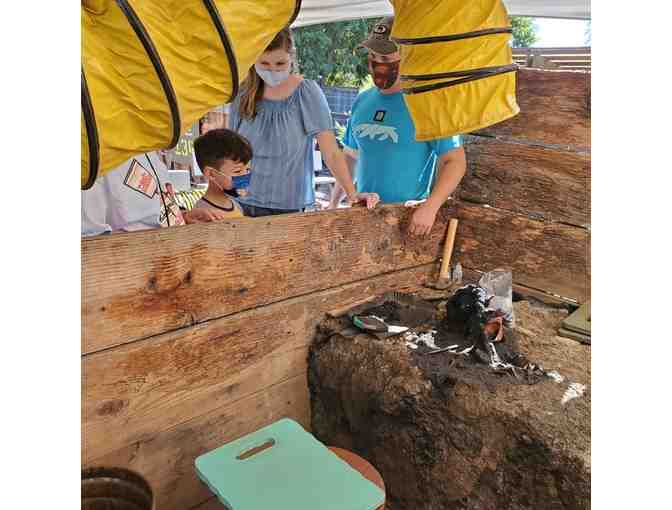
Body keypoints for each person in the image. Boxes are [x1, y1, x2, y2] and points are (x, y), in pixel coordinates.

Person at [329, 17, 467, 236]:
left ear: (409, 57)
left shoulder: (429, 104)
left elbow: (455, 161)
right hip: (362, 214)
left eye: (384, 57)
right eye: (372, 56)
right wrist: (334, 203)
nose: (375, 63)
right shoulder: (362, 101)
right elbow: (350, 156)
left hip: (406, 221)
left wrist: (430, 207)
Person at [229, 27, 379, 217]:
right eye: (264, 63)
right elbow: (231, 154)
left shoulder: (306, 93)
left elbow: (331, 153)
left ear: (291, 57)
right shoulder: (242, 94)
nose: (273, 70)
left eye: (280, 63)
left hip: (288, 208)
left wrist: (352, 194)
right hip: (240, 203)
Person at [81, 151, 232, 237]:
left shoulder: (149, 151)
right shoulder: (89, 160)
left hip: (169, 261)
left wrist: (183, 217)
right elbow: (90, 240)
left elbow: (149, 211)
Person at [192, 128, 253, 218]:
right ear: (211, 174)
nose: (244, 175)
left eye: (247, 170)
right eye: (237, 171)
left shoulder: (236, 205)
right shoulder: (204, 215)